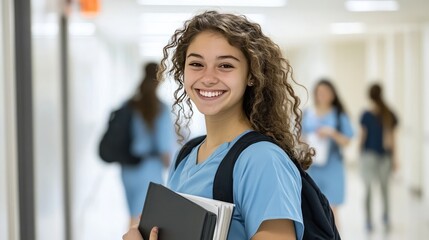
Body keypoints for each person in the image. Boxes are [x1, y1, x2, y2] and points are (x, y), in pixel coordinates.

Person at [123, 10, 313, 240]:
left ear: (251, 75)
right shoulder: (186, 154)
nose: (208, 77)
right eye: (196, 64)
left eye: (225, 66)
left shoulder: (262, 160)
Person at [121, 62, 175, 226]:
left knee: (132, 216)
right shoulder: (160, 108)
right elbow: (165, 146)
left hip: (128, 168)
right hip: (149, 169)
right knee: (144, 221)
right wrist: (172, 169)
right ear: (159, 79)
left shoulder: (130, 105)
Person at [302, 79, 354, 224]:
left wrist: (332, 133)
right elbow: (299, 137)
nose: (323, 95)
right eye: (320, 92)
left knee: (332, 209)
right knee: (313, 208)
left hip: (333, 168)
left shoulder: (339, 115)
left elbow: (347, 140)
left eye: (326, 92)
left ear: (333, 95)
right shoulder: (307, 114)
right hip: (312, 168)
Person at [359, 83, 398, 233]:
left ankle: (369, 220)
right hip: (383, 157)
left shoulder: (370, 115)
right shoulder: (388, 113)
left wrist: (359, 156)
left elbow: (363, 138)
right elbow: (393, 139)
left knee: (369, 189)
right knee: (384, 189)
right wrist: (395, 159)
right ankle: (385, 217)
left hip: (369, 155)